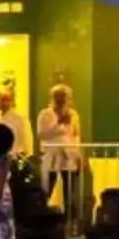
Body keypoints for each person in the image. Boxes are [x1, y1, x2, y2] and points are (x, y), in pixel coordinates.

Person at [36, 84, 85, 230]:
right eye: (58, 97)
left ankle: (70, 223)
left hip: (68, 155)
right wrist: (59, 123)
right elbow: (42, 134)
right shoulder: (45, 114)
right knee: (46, 189)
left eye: (64, 97)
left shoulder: (74, 115)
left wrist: (78, 155)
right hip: (50, 156)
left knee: (70, 192)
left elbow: (75, 136)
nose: (61, 100)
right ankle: (41, 221)